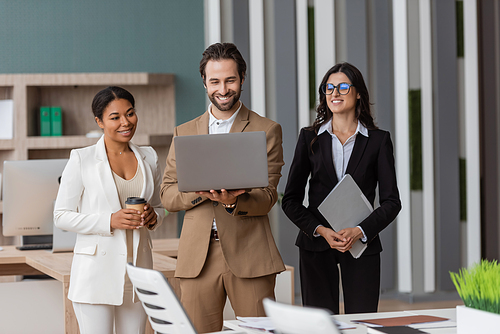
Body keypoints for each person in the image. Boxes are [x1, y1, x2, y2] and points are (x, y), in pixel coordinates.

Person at [160, 42, 285, 333]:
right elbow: (167, 194)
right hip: (197, 258)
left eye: (230, 80)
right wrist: (199, 191)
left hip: (250, 253)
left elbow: (267, 197)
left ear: (242, 78)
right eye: (215, 81)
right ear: (205, 82)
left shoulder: (266, 129)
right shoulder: (184, 131)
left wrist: (232, 201)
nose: (223, 88)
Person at [281, 62, 401, 314]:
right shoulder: (309, 138)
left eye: (343, 86)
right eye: (329, 87)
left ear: (358, 93)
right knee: (320, 327)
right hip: (316, 245)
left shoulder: (378, 141)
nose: (335, 93)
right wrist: (321, 230)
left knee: (362, 323)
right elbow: (290, 200)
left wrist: (360, 230)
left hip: (361, 244)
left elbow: (392, 202)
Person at [54, 86, 165, 334]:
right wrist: (109, 221)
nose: (125, 122)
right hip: (96, 273)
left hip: (137, 272)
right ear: (100, 122)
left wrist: (154, 216)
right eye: (115, 117)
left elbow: (160, 205)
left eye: (130, 113)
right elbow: (61, 216)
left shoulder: (149, 156)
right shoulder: (82, 159)